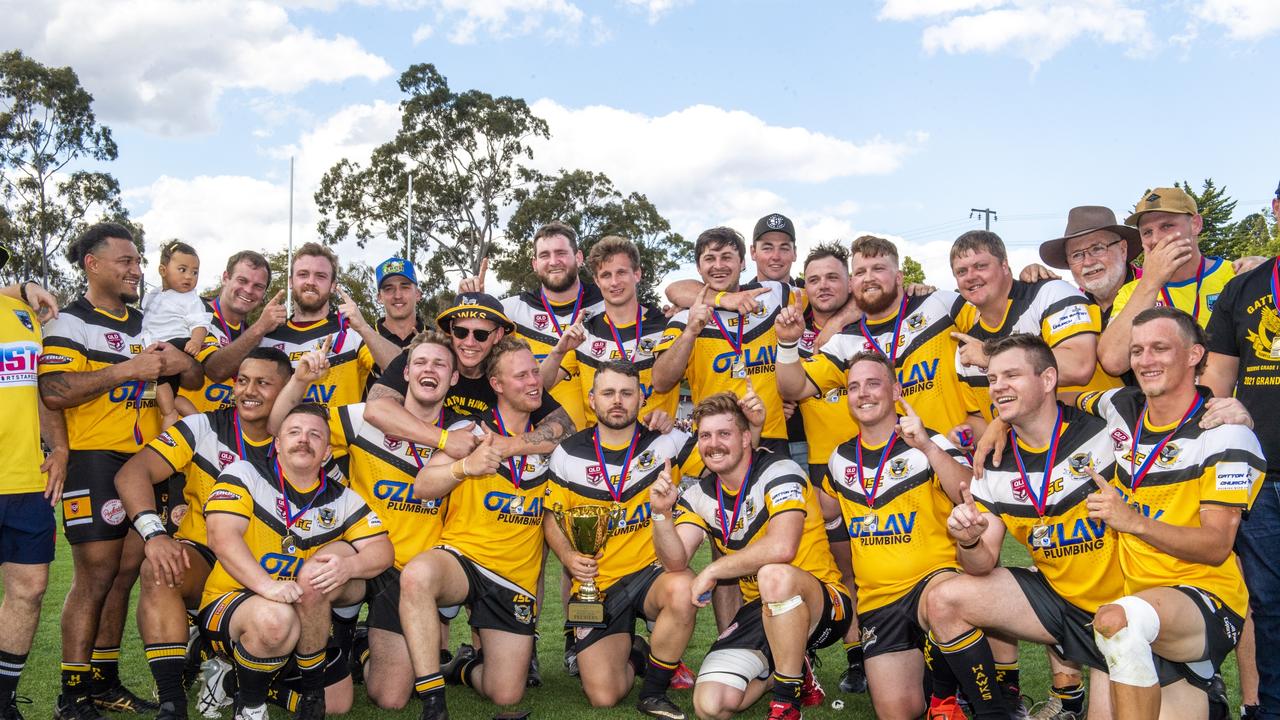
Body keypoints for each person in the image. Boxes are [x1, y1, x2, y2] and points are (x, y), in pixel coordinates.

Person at [40, 223, 202, 720]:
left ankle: (105, 680)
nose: (136, 270)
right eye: (125, 262)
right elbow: (55, 391)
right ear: (92, 264)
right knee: (95, 575)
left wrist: (180, 358)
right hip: (94, 459)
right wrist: (127, 370)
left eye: (137, 261)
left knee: (127, 573)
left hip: (143, 463)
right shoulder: (69, 322)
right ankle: (72, 693)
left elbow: (191, 375)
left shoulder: (145, 320)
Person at [270, 331, 473, 710]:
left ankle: (362, 649)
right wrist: (299, 380)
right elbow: (278, 425)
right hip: (360, 550)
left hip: (410, 570)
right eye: (422, 363)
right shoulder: (362, 418)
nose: (430, 370)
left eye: (441, 364)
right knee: (316, 574)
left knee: (390, 697)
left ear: (454, 378)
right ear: (407, 373)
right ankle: (312, 671)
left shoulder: (465, 431)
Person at [1079, 307, 1265, 718]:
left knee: (1118, 623)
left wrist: (1133, 521)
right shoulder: (1122, 405)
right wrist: (1001, 425)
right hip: (1133, 593)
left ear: (1195, 354)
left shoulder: (1225, 432)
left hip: (1203, 599)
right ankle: (1203, 689)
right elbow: (1057, 397)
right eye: (1137, 350)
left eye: (1160, 348)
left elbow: (1217, 546)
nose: (1146, 361)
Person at [927, 334, 1123, 720]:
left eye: (1011, 375)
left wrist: (1228, 409)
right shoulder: (994, 462)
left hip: (1123, 609)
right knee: (945, 598)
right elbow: (983, 564)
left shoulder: (1106, 432)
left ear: (1048, 379)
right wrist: (968, 541)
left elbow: (1167, 406)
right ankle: (994, 713)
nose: (998, 386)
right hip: (1059, 602)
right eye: (993, 378)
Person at [114, 348, 298, 720]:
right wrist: (155, 534)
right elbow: (132, 473)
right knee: (160, 569)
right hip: (208, 557)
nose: (249, 390)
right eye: (242, 381)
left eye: (263, 383)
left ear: (288, 390)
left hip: (276, 568)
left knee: (323, 692)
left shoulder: (303, 438)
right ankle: (171, 704)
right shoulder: (204, 427)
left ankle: (214, 657)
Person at [653, 393, 850, 720]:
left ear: (746, 438)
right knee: (710, 706)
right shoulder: (699, 495)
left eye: (724, 434)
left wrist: (714, 569)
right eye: (705, 435)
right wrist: (661, 515)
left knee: (774, 575)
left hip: (822, 603)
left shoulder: (780, 469)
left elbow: (782, 547)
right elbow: (675, 561)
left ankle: (786, 703)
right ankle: (791, 672)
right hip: (762, 611)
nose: (713, 444)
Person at [200, 403, 393, 720]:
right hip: (233, 602)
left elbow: (382, 550)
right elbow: (221, 538)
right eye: (294, 432)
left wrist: (349, 567)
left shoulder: (342, 498)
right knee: (275, 620)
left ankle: (238, 680)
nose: (304, 440)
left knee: (338, 703)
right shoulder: (244, 473)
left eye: (315, 434)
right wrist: (268, 587)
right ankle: (249, 706)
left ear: (327, 451)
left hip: (301, 614)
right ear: (277, 443)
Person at [399, 337, 553, 718]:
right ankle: (433, 700)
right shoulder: (469, 429)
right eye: (522, 375)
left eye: (536, 371)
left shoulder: (551, 438)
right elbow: (421, 486)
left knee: (506, 695)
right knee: (418, 575)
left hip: (514, 578)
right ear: (497, 385)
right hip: (463, 560)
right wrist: (464, 467)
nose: (534, 381)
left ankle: (463, 667)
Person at [820, 351, 973, 720]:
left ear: (895, 390)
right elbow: (819, 510)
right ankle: (935, 683)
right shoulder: (840, 459)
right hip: (880, 603)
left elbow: (967, 490)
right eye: (853, 387)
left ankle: (979, 700)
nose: (863, 393)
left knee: (944, 605)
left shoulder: (928, 442)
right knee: (896, 712)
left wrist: (928, 446)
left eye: (873, 383)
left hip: (934, 588)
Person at [544, 361, 699, 718]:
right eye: (609, 393)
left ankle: (655, 691)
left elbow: (726, 461)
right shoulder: (567, 454)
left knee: (683, 587)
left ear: (641, 398)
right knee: (604, 696)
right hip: (597, 585)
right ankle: (639, 651)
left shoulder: (667, 441)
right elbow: (552, 517)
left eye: (627, 393)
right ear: (592, 399)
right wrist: (568, 557)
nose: (618, 401)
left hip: (650, 573)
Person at [777, 234, 977, 457]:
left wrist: (1024, 283)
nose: (869, 278)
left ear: (899, 276)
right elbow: (793, 388)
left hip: (954, 459)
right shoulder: (844, 342)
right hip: (893, 477)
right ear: (853, 283)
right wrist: (787, 343)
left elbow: (998, 323)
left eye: (878, 269)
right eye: (861, 272)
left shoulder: (940, 304)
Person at [772, 242, 865, 693]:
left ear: (849, 281)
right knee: (839, 566)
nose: (823, 285)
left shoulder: (875, 325)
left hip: (877, 464)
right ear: (802, 288)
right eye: (814, 280)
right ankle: (856, 658)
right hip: (818, 467)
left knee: (884, 564)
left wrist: (843, 318)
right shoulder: (795, 322)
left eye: (833, 277)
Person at [1203, 184, 1280, 720]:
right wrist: (1225, 412)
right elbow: (1216, 382)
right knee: (1270, 609)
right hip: (1264, 476)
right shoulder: (1245, 287)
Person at [363, 292, 572, 461]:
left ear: (498, 335)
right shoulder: (427, 358)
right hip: (412, 466)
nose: (469, 343)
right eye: (461, 332)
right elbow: (376, 408)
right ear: (451, 330)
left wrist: (508, 445)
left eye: (480, 335)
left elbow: (565, 428)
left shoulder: (507, 372)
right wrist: (444, 440)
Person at [0, 245, 67, 719]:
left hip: (26, 478)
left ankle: (3, 704)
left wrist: (59, 447)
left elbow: (40, 389)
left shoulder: (24, 314)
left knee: (29, 589)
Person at [652, 227, 792, 453]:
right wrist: (691, 331)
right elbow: (660, 382)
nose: (718, 266)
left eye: (727, 257)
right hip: (715, 439)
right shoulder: (685, 316)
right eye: (710, 259)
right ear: (698, 267)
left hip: (770, 435)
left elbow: (837, 298)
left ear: (743, 263)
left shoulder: (774, 295)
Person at [459, 222, 606, 431]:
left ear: (579, 257)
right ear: (535, 263)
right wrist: (473, 305)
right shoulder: (512, 310)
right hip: (534, 444)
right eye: (545, 255)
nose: (554, 262)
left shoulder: (608, 305)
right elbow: (466, 345)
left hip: (599, 444)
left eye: (561, 253)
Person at [949, 230, 1100, 421]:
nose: (970, 276)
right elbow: (979, 417)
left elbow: (1079, 366)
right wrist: (966, 434)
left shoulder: (1050, 293)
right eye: (961, 271)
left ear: (1004, 266)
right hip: (1028, 448)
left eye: (981, 266)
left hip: (1097, 436)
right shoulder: (967, 345)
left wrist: (991, 357)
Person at [1097, 187, 1235, 377]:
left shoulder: (1234, 275)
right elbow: (1113, 362)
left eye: (1167, 226)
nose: (1156, 239)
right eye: (1146, 232)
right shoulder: (1133, 292)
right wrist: (1151, 281)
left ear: (1195, 224)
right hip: (1168, 405)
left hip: (1229, 404)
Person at [541, 235, 678, 423]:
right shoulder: (585, 331)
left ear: (637, 274)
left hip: (651, 445)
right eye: (606, 275)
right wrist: (558, 352)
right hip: (599, 448)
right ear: (597, 281)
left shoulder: (666, 325)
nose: (614, 282)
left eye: (621, 272)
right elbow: (538, 387)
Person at [260, 243, 399, 406]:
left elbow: (401, 370)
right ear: (291, 281)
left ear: (333, 285)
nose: (311, 282)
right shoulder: (268, 339)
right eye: (303, 274)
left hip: (339, 432)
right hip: (285, 431)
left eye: (321, 276)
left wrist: (363, 328)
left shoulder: (351, 333)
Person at [181, 251, 281, 414]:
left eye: (258, 286)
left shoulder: (248, 333)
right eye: (242, 280)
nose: (248, 290)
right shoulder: (194, 313)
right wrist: (260, 327)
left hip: (225, 432)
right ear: (226, 277)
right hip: (186, 432)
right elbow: (216, 371)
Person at [140, 240, 212, 427]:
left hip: (176, 344)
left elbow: (200, 323)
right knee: (166, 393)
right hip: (155, 346)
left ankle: (169, 416)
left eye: (195, 272)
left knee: (161, 387)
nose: (189, 276)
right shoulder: (153, 295)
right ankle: (197, 421)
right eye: (183, 270)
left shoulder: (190, 299)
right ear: (163, 271)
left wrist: (196, 342)